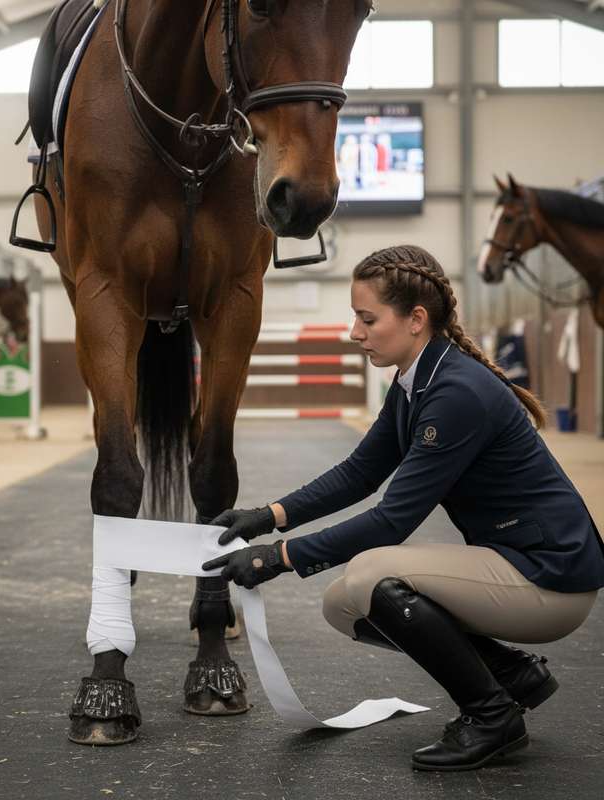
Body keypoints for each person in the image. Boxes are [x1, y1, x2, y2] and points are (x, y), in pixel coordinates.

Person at [203, 244, 604, 772]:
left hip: (552, 580)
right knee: (342, 603)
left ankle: (492, 716)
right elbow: (359, 472)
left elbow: (392, 520)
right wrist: (268, 515)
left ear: (416, 319)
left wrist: (276, 557)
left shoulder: (455, 393)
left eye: (367, 319)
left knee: (372, 573)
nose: (355, 332)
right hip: (517, 562)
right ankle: (510, 673)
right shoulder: (418, 379)